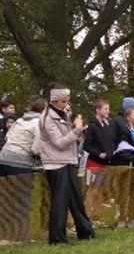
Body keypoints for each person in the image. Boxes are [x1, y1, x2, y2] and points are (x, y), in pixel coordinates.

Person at [35, 87, 94, 245]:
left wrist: (78, 130)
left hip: (68, 160)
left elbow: (71, 138)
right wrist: (77, 129)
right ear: (54, 101)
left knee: (76, 198)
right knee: (60, 201)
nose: (66, 104)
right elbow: (60, 143)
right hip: (55, 163)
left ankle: (85, 231)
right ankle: (57, 237)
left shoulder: (63, 113)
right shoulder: (47, 118)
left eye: (68, 101)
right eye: (63, 101)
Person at [0, 97, 46, 244]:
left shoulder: (20, 120)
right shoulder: (39, 123)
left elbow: (7, 136)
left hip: (3, 158)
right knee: (21, 199)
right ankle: (20, 236)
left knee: (5, 199)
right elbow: (35, 149)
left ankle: (4, 236)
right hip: (19, 161)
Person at [83, 98, 115, 216]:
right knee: (93, 189)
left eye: (108, 109)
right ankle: (87, 213)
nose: (108, 111)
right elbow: (87, 145)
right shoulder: (92, 126)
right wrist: (98, 153)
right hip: (94, 163)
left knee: (101, 189)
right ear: (98, 110)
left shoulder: (107, 125)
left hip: (105, 163)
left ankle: (96, 213)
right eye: (105, 109)